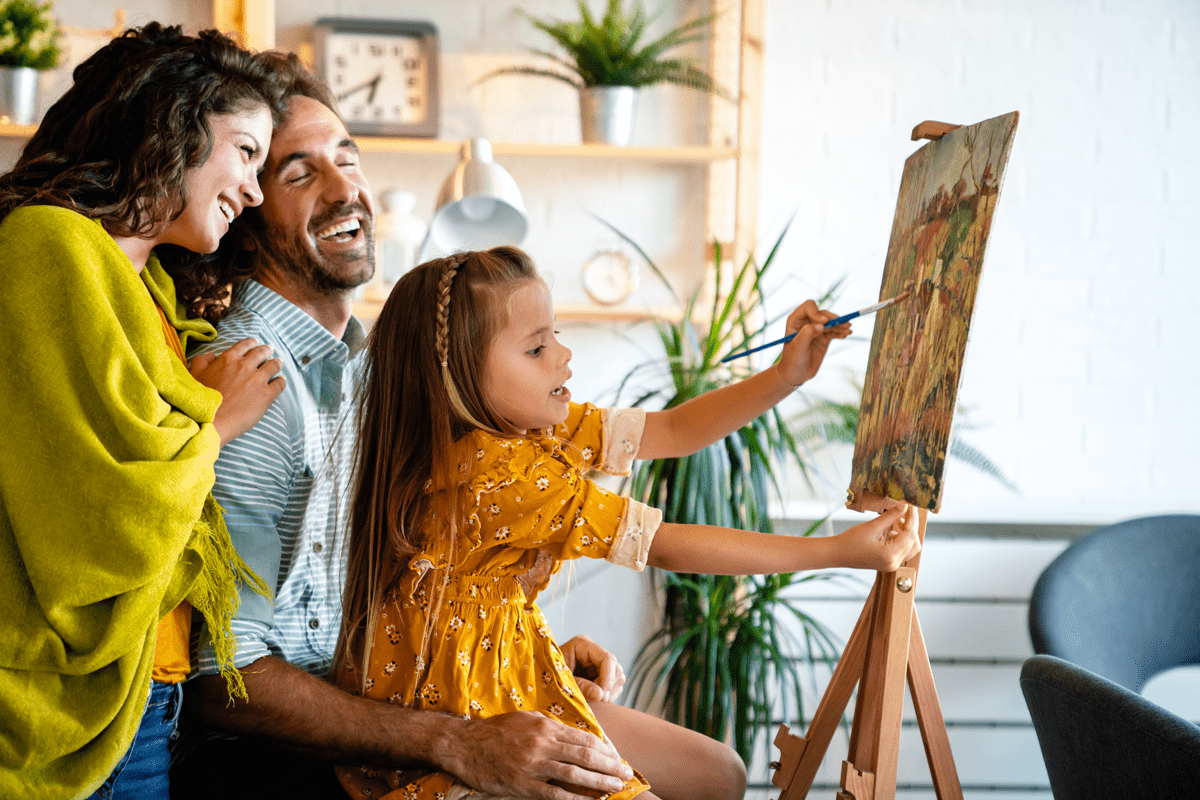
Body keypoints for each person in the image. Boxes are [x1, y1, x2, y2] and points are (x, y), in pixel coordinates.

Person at [173, 53, 638, 800]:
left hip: (380, 709)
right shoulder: (255, 383)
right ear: (246, 214)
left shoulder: (362, 367)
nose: (344, 188)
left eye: (347, 158)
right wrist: (457, 739)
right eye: (301, 174)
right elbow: (224, 678)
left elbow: (402, 588)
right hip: (276, 761)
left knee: (709, 776)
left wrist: (518, 647)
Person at [333, 247, 923, 800]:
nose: (564, 356)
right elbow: (663, 546)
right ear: (455, 376)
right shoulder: (492, 469)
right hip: (465, 715)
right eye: (536, 349)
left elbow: (672, 430)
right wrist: (835, 551)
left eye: (556, 337)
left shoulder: (531, 428)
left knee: (721, 775)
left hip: (506, 678)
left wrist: (784, 376)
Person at [0, 23, 288, 800]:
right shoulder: (45, 243)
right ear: (175, 124)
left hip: (148, 696)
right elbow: (93, 507)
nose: (256, 191)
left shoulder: (151, 290)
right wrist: (218, 421)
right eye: (246, 152)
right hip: (59, 706)